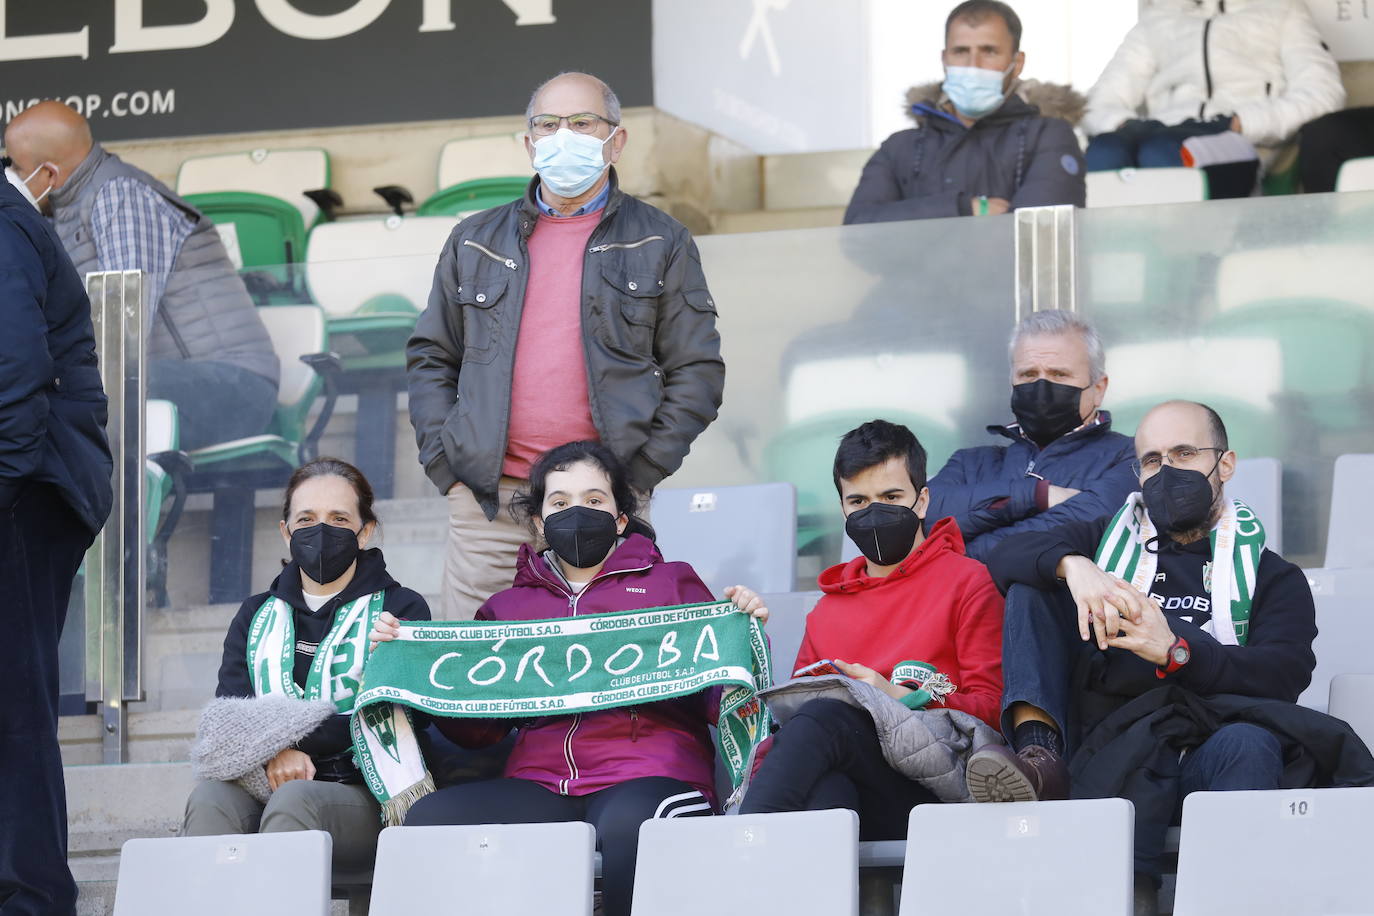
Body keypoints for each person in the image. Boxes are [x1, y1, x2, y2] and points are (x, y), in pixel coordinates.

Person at [965, 401, 1374, 913]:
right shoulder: (1104, 543)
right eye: (1153, 460)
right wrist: (1074, 566)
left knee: (1250, 742)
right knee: (1033, 583)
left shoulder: (1274, 575)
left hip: (1211, 739)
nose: (1168, 471)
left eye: (1184, 453)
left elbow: (1282, 675)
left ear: (1224, 464)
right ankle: (1039, 756)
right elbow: (1005, 556)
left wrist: (1177, 650)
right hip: (1109, 738)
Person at [369, 440, 767, 916]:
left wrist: (743, 635)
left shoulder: (671, 584)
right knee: (429, 820)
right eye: (560, 503)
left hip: (649, 776)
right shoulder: (507, 609)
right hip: (539, 785)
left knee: (632, 825)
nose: (577, 512)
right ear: (539, 521)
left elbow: (717, 696)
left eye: (594, 501)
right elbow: (481, 730)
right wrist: (411, 670)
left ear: (620, 517)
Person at [407, 72, 725, 621]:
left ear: (615, 140)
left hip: (606, 503)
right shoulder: (474, 238)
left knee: (611, 668)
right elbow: (432, 355)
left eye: (581, 123)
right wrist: (447, 466)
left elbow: (696, 369)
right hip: (493, 505)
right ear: (529, 144)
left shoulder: (660, 239)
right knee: (477, 673)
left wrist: (640, 472)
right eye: (548, 125)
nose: (564, 135)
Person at [740, 420, 1003, 838]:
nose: (874, 511)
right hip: (857, 787)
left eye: (891, 496)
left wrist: (901, 697)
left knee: (825, 718)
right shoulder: (826, 610)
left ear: (922, 501)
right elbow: (796, 719)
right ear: (842, 507)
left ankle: (739, 857)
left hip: (935, 791)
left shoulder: (968, 582)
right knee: (825, 789)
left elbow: (993, 710)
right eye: (858, 501)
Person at [182, 458, 430, 876]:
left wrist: (278, 738)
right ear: (286, 532)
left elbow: (401, 713)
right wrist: (278, 750)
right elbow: (229, 719)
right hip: (265, 780)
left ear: (364, 530)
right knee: (209, 799)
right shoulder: (254, 613)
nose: (321, 531)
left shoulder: (401, 608)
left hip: (364, 789)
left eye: (338, 518)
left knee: (294, 800)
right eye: (306, 519)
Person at [4, 101, 280, 451]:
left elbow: (124, 330)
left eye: (15, 165)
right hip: (165, 380)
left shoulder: (119, 195)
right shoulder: (63, 210)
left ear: (49, 174)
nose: (10, 173)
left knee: (65, 392)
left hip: (234, 385)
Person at [0, 166, 112, 916]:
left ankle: (31, 897)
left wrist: (4, 478)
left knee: (13, 704)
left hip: (23, 486)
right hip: (25, 479)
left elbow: (17, 370)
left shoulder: (4, 224)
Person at [844, 0, 1085, 224]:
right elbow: (858, 230)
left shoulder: (1048, 136)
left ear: (1017, 63)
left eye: (989, 51)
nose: (973, 65)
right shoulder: (899, 148)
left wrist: (921, 225)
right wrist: (964, 209)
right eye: (960, 51)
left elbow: (1040, 231)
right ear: (944, 59)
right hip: (922, 273)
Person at [926, 309, 1137, 563]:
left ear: (1098, 389)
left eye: (1059, 374)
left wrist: (961, 553)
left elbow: (1093, 526)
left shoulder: (1132, 457)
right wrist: (1037, 495)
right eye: (1028, 374)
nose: (1041, 387)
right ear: (1012, 382)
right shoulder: (969, 464)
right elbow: (922, 517)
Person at [1082, 0, 1345, 198]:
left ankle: (1180, 265)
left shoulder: (1282, 11)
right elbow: (1097, 103)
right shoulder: (1159, 16)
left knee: (1162, 152)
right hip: (1162, 130)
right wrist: (1122, 124)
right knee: (1105, 151)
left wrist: (1242, 122)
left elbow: (1323, 94)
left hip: (1236, 136)